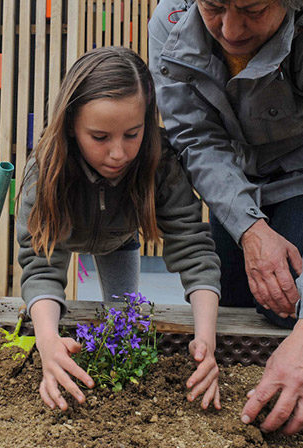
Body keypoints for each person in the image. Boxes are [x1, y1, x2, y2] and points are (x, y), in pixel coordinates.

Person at [148, 0, 303, 436]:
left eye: (254, 10)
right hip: (232, 182)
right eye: (213, 8)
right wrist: (249, 229)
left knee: (302, 308)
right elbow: (196, 137)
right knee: (237, 296)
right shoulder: (170, 22)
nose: (231, 31)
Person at [17, 46, 221, 413]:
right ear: (71, 127)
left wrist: (205, 339)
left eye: (132, 134)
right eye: (99, 138)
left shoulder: (159, 162)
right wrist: (47, 341)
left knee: (123, 319)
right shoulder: (47, 169)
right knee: (48, 320)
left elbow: (193, 248)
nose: (118, 154)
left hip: (121, 236)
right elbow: (41, 264)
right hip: (65, 229)